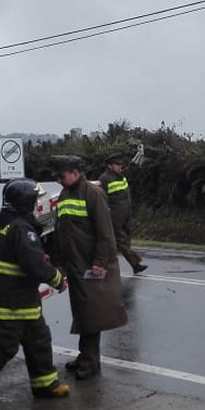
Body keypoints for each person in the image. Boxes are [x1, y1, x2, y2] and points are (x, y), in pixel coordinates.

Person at [0, 178, 71, 408]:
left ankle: (45, 385)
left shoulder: (7, 222)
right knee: (2, 347)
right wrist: (57, 279)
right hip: (11, 302)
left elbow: (24, 258)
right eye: (34, 199)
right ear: (26, 201)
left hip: (20, 300)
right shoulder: (21, 227)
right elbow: (34, 265)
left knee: (38, 340)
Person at [50, 155, 128, 380]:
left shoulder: (93, 194)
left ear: (75, 173)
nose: (59, 180)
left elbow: (106, 234)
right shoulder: (65, 195)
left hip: (90, 266)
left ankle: (90, 361)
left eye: (61, 175)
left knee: (92, 314)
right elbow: (61, 230)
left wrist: (98, 263)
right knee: (82, 313)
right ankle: (85, 354)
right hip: (74, 265)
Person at [98, 152, 147, 274]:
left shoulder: (121, 177)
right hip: (115, 217)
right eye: (116, 164)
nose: (119, 166)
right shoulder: (105, 179)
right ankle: (135, 263)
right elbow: (102, 199)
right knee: (121, 242)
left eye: (120, 164)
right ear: (109, 166)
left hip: (126, 214)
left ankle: (107, 264)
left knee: (123, 241)